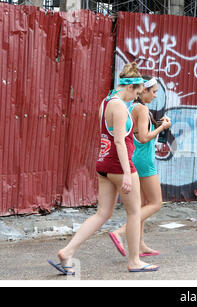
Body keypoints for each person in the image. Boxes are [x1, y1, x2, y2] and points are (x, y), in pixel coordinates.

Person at [48, 63, 158, 274]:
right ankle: (134, 261)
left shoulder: (106, 101)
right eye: (136, 92)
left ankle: (67, 251)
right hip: (118, 164)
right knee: (134, 212)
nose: (135, 98)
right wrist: (127, 172)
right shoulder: (118, 106)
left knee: (103, 213)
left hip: (103, 164)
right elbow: (119, 141)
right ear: (129, 87)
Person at [109, 76, 171, 258]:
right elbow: (144, 137)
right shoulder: (142, 109)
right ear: (143, 90)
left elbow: (137, 133)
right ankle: (120, 232)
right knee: (156, 203)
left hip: (133, 157)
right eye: (153, 92)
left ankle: (140, 244)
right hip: (144, 161)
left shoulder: (129, 106)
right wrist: (163, 127)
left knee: (142, 204)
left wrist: (157, 124)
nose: (155, 96)